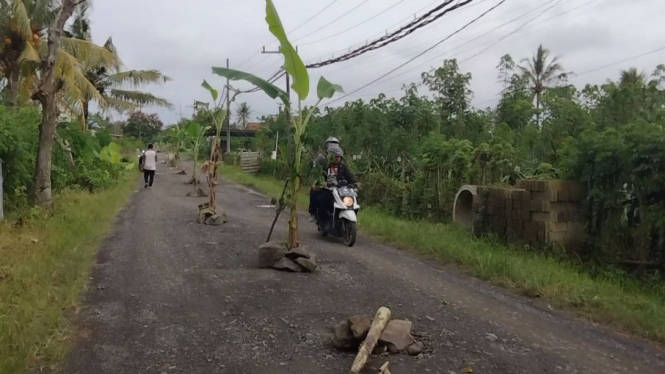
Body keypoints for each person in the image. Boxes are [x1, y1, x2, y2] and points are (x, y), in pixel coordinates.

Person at [313, 146, 359, 231]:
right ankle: (324, 221)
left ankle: (352, 221)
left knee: (354, 199)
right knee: (321, 200)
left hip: (341, 190)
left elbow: (349, 176)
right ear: (330, 157)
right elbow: (319, 178)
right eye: (336, 156)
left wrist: (355, 182)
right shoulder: (325, 167)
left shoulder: (342, 167)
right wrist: (322, 183)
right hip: (329, 190)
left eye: (339, 157)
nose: (338, 159)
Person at [309, 137, 340, 221]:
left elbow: (347, 173)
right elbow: (314, 168)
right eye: (331, 144)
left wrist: (354, 182)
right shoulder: (322, 158)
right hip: (324, 184)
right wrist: (317, 181)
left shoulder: (340, 160)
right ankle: (313, 213)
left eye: (335, 144)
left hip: (338, 186)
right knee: (314, 191)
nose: (333, 146)